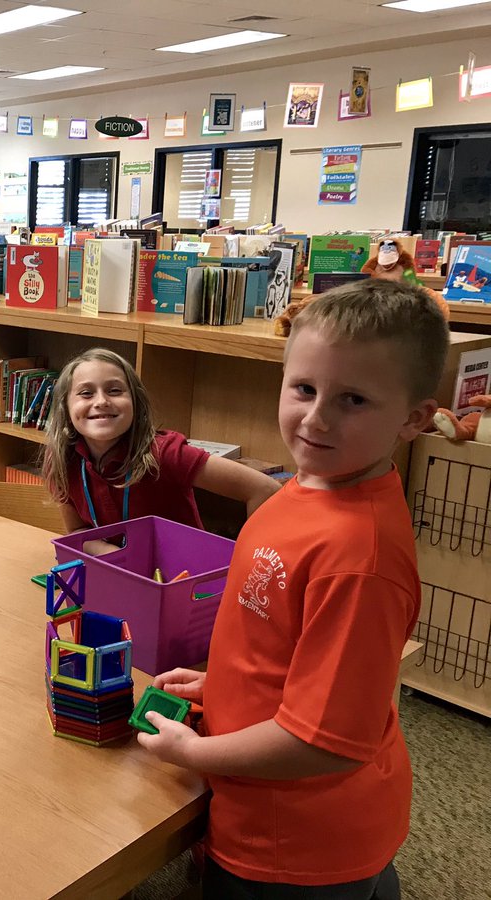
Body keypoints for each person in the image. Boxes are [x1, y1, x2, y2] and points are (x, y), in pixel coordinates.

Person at [138, 279, 448, 899]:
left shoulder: (360, 559)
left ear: (413, 418)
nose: (316, 417)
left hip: (296, 847)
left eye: (354, 399)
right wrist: (222, 686)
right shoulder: (300, 488)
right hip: (265, 808)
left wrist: (193, 754)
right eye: (303, 388)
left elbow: (322, 742)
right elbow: (283, 640)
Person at [41, 347, 278, 550]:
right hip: (118, 579)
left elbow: (266, 489)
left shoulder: (165, 453)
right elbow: (76, 532)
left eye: (115, 390)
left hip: (183, 582)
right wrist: (112, 555)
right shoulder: (61, 458)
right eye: (85, 393)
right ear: (65, 407)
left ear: (136, 402)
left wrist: (248, 564)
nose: (101, 401)